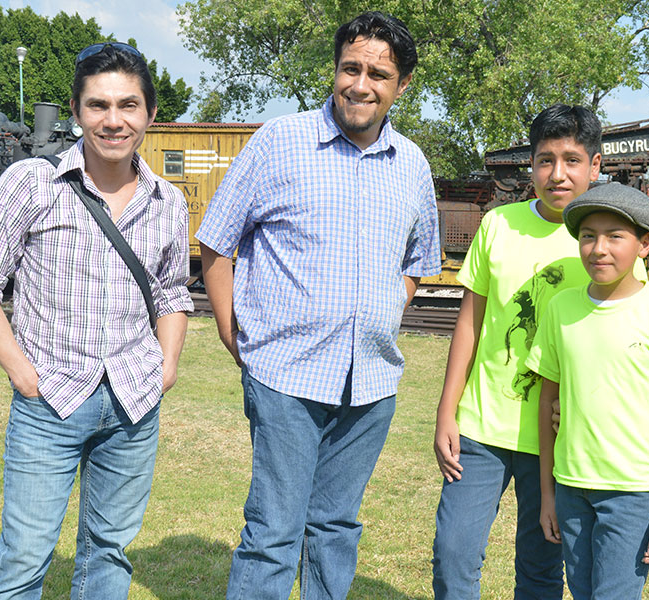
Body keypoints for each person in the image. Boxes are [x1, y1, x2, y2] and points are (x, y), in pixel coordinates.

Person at [195, 11, 440, 600]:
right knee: (274, 531)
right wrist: (236, 336)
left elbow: (417, 264)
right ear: (334, 70)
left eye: (378, 74)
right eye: (350, 68)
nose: (361, 84)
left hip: (371, 383)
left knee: (336, 528)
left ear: (401, 86)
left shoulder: (412, 164)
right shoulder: (280, 141)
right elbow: (215, 241)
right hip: (285, 376)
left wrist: (377, 314)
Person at [0, 42, 192, 599]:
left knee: (109, 554)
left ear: (150, 114)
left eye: (128, 106)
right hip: (50, 402)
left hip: (133, 403)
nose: (114, 121)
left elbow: (173, 293)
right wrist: (21, 373)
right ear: (77, 111)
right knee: (23, 561)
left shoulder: (168, 201)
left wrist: (167, 367)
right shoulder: (32, 184)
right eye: (98, 106)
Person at [432, 104, 647, 598]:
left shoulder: (609, 241)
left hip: (558, 437)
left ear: (596, 167)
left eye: (572, 160)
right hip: (482, 428)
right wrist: (448, 410)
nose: (558, 174)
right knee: (453, 556)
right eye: (545, 160)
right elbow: (469, 321)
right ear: (530, 166)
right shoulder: (498, 226)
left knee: (541, 568)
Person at [527, 182, 649, 600]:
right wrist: (548, 494)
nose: (599, 248)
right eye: (587, 236)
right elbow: (547, 402)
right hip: (570, 486)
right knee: (581, 593)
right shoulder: (560, 307)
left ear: (644, 244)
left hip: (633, 491)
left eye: (615, 236)